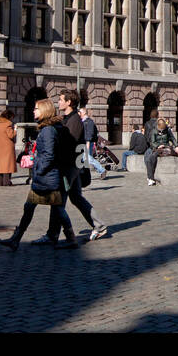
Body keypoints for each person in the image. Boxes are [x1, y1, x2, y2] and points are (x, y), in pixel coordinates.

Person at [0, 99, 77, 251]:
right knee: (31, 207)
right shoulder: (51, 128)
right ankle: (16, 238)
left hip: (48, 177)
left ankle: (71, 238)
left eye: (36, 109)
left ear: (44, 111)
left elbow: (48, 155)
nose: (33, 111)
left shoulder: (47, 130)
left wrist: (37, 168)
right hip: (49, 176)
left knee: (57, 209)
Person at [41, 91, 109, 243]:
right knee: (76, 198)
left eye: (61, 100)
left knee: (58, 200)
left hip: (69, 167)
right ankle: (99, 225)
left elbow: (68, 144)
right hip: (73, 166)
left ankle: (52, 235)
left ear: (69, 102)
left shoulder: (74, 121)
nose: (59, 102)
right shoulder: (67, 119)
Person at [78, 106, 108, 181]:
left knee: (86, 158)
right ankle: (83, 175)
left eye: (80, 112)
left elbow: (90, 133)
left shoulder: (89, 121)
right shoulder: (83, 121)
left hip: (88, 143)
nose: (79, 114)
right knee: (86, 159)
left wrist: (88, 142)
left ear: (84, 113)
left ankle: (102, 170)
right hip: (84, 142)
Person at [0, 108, 16, 186]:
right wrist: (15, 129)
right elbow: (11, 135)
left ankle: (0, 181)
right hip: (8, 147)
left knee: (1, 164)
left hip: (0, 146)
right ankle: (7, 182)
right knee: (8, 165)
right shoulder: (8, 124)